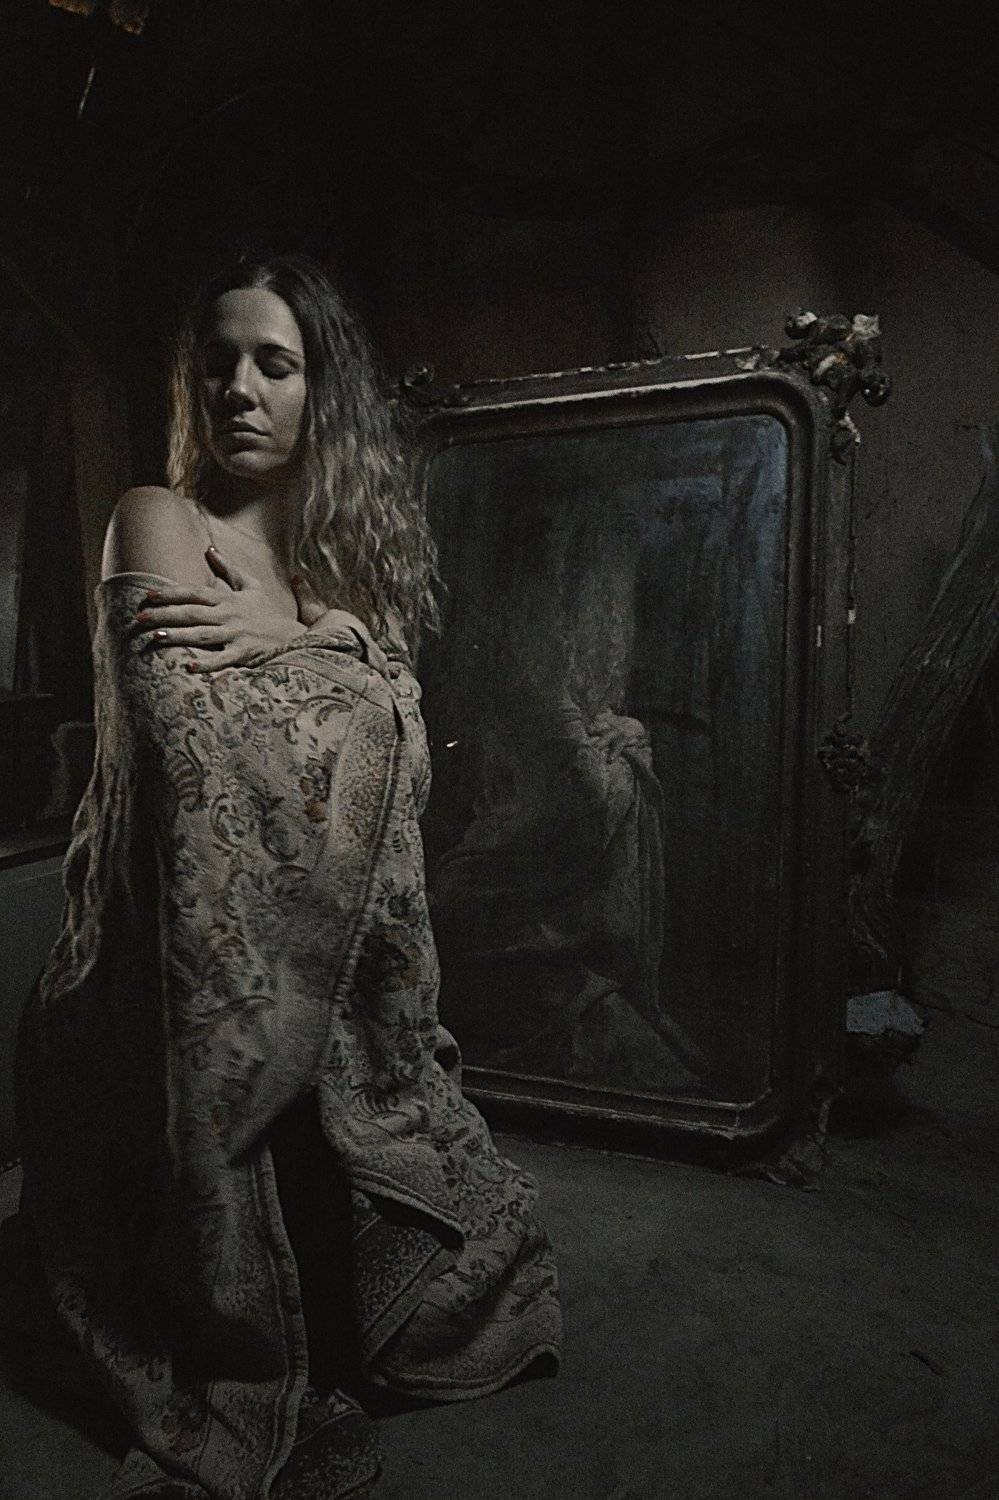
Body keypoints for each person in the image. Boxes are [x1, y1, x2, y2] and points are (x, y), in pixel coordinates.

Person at [14, 254, 562, 1500]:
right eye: (218, 363)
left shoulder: (335, 579)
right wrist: (348, 665)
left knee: (453, 1256)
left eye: (276, 362)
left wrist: (305, 636)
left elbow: (405, 750)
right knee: (251, 1245)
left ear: (323, 393)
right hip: (177, 975)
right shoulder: (161, 521)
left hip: (336, 993)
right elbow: (191, 765)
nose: (240, 388)